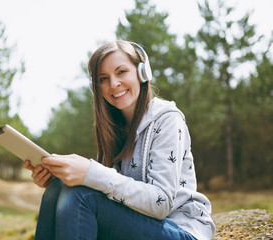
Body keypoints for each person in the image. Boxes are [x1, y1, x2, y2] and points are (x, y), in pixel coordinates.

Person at [24, 39, 216, 240]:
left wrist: (91, 172)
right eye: (103, 78)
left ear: (142, 73)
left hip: (181, 229)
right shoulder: (114, 129)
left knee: (80, 197)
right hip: (142, 224)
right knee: (59, 188)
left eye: (121, 72)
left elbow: (161, 204)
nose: (113, 84)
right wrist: (61, 177)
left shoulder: (167, 119)